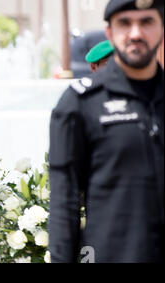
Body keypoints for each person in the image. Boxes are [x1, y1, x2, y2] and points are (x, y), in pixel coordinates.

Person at [48, 0, 164, 263]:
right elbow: (64, 206)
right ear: (110, 33)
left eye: (147, 22)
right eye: (125, 23)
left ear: (161, 29)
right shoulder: (79, 104)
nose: (136, 33)